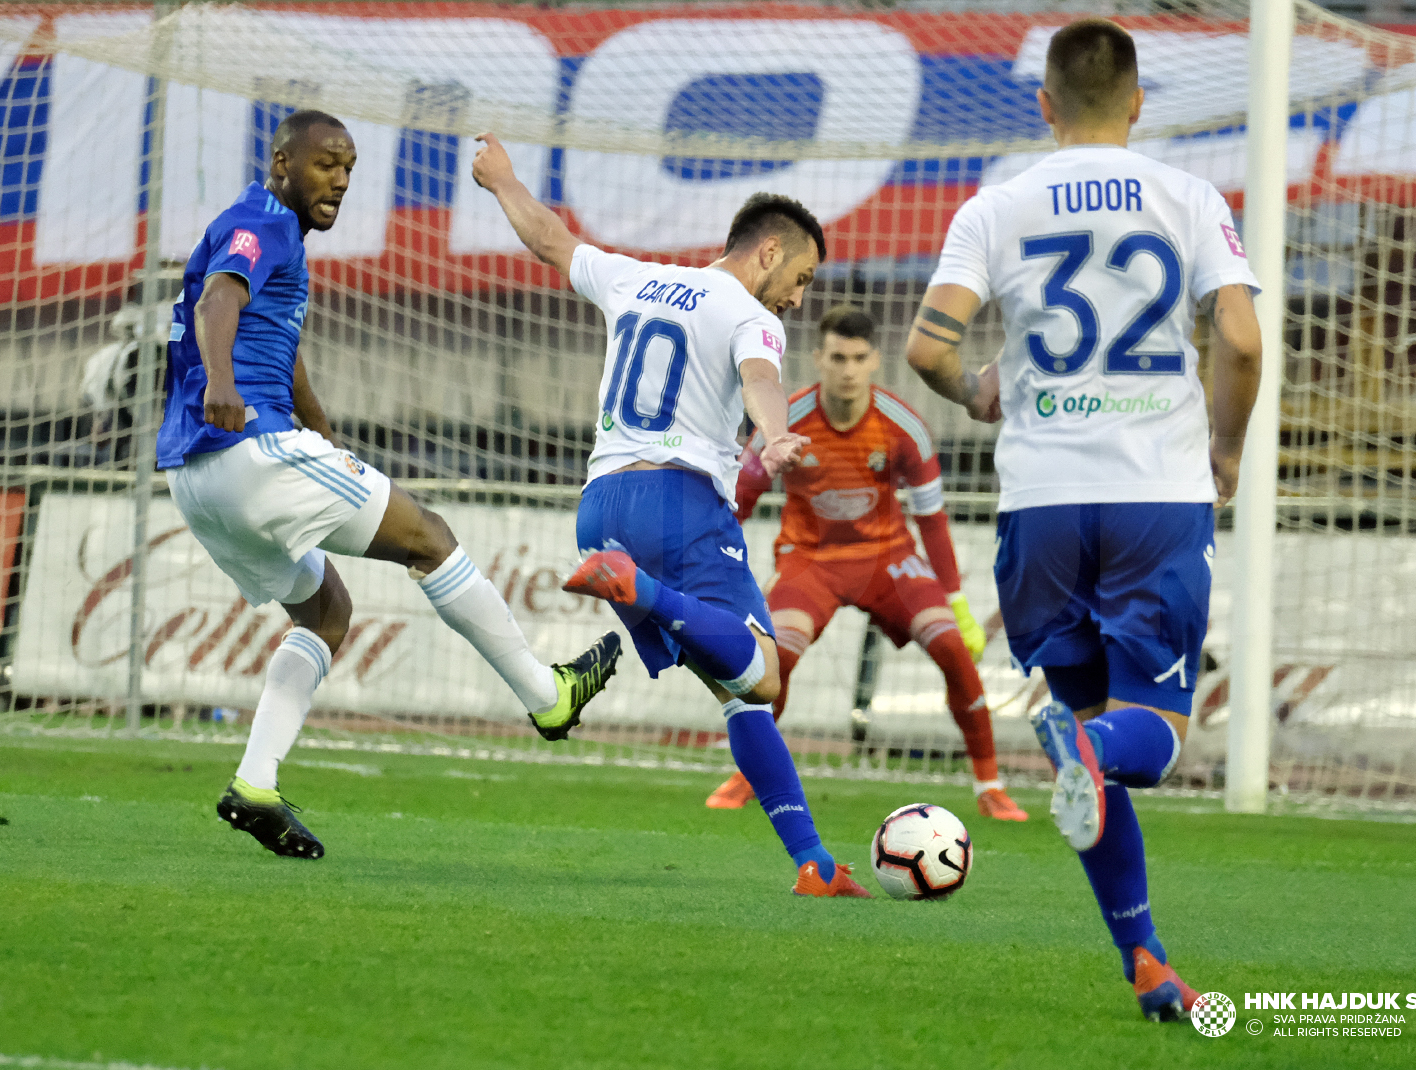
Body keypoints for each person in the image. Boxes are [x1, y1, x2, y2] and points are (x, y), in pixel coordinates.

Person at [903, 20, 1263, 1019]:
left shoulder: (996, 205)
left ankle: (1146, 961)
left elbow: (926, 350)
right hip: (1155, 490)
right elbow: (1238, 337)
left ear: (1044, 103)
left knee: (1085, 740)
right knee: (1144, 734)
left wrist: (982, 388)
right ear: (1138, 101)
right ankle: (1085, 750)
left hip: (1042, 500)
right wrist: (1224, 450)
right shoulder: (1189, 199)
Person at [159, 110, 621, 860]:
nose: (339, 178)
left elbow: (276, 346)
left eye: (348, 166)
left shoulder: (274, 237)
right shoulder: (262, 222)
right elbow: (219, 302)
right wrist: (219, 381)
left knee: (326, 609)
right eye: (323, 163)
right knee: (428, 539)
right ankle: (546, 695)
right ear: (282, 164)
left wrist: (321, 428)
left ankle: (254, 784)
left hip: (195, 476)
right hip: (248, 448)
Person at [472, 133, 870, 898]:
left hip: (601, 505)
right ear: (769, 250)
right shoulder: (748, 312)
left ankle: (814, 864)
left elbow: (551, 239)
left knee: (738, 694)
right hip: (677, 504)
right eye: (801, 277)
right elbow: (761, 373)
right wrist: (775, 430)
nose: (798, 296)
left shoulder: (637, 279)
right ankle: (636, 587)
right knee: (766, 671)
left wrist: (503, 181)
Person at [708, 305, 1027, 822]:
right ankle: (750, 773)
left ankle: (990, 785)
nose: (849, 369)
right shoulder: (782, 422)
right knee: (775, 659)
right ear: (818, 359)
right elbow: (739, 501)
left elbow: (932, 519)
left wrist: (956, 599)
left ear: (875, 359)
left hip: (887, 559)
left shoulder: (904, 428)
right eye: (837, 357)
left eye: (858, 358)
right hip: (810, 560)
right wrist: (718, 568)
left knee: (952, 646)